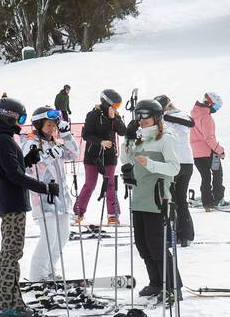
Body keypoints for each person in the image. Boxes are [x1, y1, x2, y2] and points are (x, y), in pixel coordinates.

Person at [0, 98, 58, 317]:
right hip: (12, 202)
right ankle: (7, 304)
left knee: (10, 251)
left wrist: (27, 160)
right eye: (20, 118)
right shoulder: (2, 140)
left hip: (9, 200)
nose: (21, 123)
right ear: (8, 117)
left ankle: (6, 300)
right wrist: (45, 187)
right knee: (12, 252)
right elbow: (13, 176)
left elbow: (10, 168)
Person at [122, 98, 182, 299]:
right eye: (138, 115)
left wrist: (150, 164)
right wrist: (127, 141)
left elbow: (174, 168)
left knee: (157, 245)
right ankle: (156, 282)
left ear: (156, 116)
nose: (141, 119)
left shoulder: (166, 137)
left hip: (157, 198)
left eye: (146, 115)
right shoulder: (140, 137)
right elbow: (127, 160)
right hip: (139, 196)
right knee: (142, 244)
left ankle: (173, 287)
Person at [24, 109, 79, 281]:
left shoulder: (55, 142)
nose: (52, 128)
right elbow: (28, 168)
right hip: (44, 198)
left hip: (61, 198)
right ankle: (37, 276)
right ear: (39, 125)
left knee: (62, 238)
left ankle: (49, 270)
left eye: (54, 125)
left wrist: (67, 134)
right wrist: (47, 157)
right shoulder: (30, 142)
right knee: (49, 238)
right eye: (48, 125)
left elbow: (74, 153)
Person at [74, 89, 128, 226]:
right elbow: (86, 135)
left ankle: (113, 215)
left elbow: (123, 132)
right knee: (90, 184)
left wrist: (114, 117)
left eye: (118, 106)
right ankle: (78, 212)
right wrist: (101, 142)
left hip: (109, 156)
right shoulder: (93, 115)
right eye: (115, 105)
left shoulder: (115, 116)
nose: (116, 108)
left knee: (110, 184)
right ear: (106, 103)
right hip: (93, 155)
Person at [156, 95, 196, 246]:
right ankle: (186, 235)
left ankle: (169, 236)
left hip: (173, 163)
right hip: (188, 162)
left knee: (168, 200)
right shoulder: (183, 116)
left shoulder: (162, 120)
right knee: (182, 200)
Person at [189, 93, 225, 211]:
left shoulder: (194, 115)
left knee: (205, 178)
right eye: (217, 107)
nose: (217, 110)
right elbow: (209, 138)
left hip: (196, 154)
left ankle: (207, 204)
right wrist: (220, 150)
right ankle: (218, 199)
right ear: (210, 104)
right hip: (208, 151)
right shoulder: (206, 117)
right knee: (217, 174)